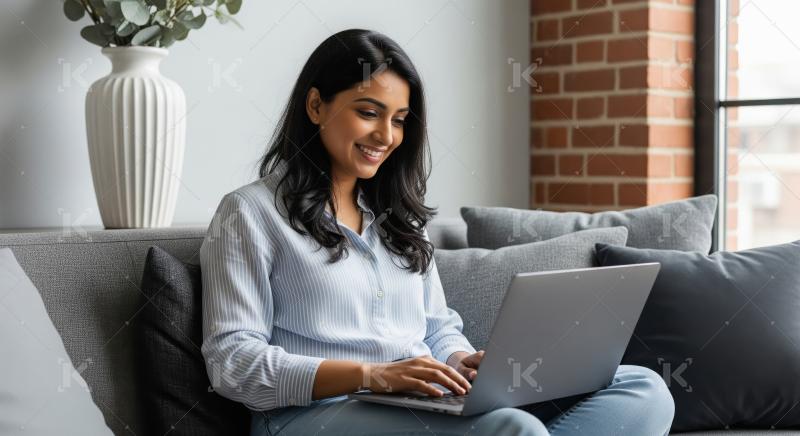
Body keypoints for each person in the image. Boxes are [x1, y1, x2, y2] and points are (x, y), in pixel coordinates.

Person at [200, 28, 675, 436]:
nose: (387, 136)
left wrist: (461, 363)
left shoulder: (398, 217)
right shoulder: (248, 214)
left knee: (644, 388)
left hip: (412, 403)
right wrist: (373, 376)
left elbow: (437, 328)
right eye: (369, 112)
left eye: (400, 120)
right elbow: (232, 363)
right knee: (513, 429)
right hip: (308, 415)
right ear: (316, 105)